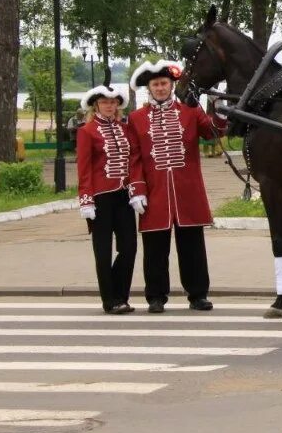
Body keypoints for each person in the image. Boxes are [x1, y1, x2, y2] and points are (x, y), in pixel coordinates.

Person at [127, 60, 226, 313]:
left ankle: (198, 294)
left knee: (192, 246)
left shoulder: (190, 112)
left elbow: (213, 132)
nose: (160, 88)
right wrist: (137, 189)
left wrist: (219, 108)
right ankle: (156, 296)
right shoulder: (136, 118)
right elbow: (134, 157)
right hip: (155, 191)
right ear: (149, 88)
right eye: (155, 84)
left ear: (172, 86)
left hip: (187, 191)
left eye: (164, 83)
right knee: (155, 249)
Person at [76, 84, 140, 315]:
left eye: (113, 102)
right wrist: (86, 199)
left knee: (129, 248)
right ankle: (110, 300)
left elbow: (133, 160)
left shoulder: (125, 129)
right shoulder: (87, 131)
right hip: (100, 198)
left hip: (124, 196)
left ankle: (120, 295)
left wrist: (136, 189)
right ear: (96, 105)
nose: (109, 106)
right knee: (102, 252)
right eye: (104, 102)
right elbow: (83, 169)